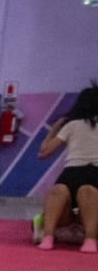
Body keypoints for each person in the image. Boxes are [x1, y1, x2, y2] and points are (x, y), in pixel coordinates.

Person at [36, 81, 98, 253]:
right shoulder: (74, 126)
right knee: (88, 191)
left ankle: (48, 236)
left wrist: (55, 128)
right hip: (94, 173)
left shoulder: (72, 125)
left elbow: (43, 152)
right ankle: (90, 239)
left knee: (59, 191)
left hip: (71, 173)